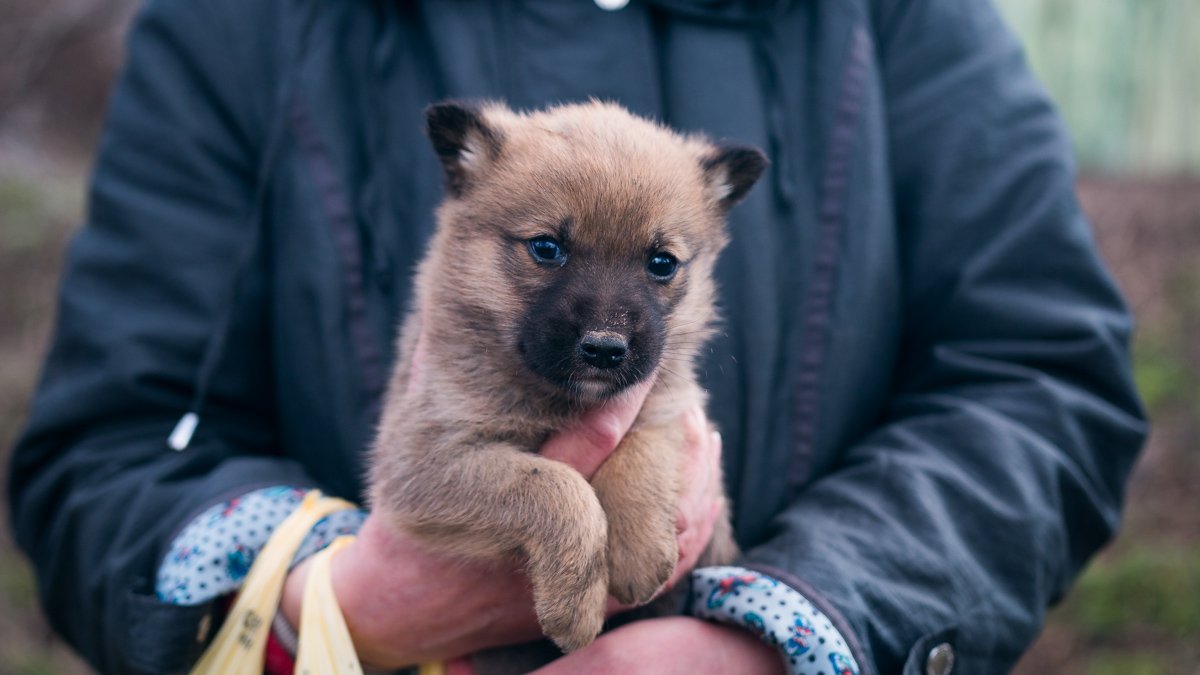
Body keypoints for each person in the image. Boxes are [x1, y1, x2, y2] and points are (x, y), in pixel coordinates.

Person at [7, 0, 1146, 673]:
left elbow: (1037, 377)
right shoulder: (245, 24)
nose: (608, 325)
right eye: (545, 251)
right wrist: (329, 606)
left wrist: (786, 629)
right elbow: (109, 450)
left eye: (658, 266)